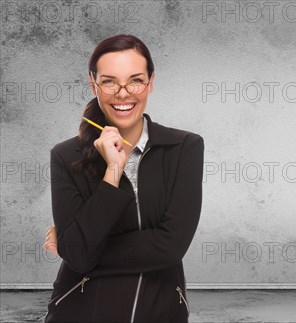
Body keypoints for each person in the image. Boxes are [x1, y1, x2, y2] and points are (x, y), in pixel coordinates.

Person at [42, 34, 204, 322]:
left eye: (136, 80)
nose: (123, 92)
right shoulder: (65, 155)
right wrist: (113, 171)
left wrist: (73, 247)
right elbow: (78, 255)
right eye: (109, 81)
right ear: (94, 84)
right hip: (80, 312)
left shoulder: (185, 148)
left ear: (151, 82)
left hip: (160, 311)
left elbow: (171, 247)